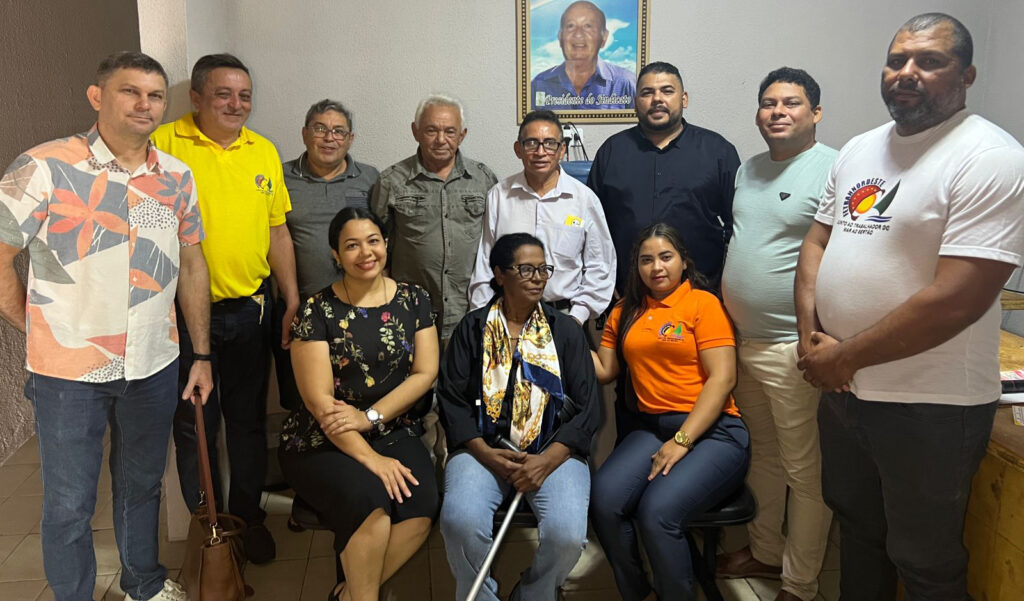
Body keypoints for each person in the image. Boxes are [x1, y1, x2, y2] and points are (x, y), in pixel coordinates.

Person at [795, 13, 1024, 600]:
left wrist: (844, 357)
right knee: (858, 531)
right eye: (897, 60)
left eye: (929, 61)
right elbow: (816, 243)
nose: (907, 72)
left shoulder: (989, 156)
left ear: (967, 75)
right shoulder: (859, 148)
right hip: (844, 392)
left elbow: (958, 299)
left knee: (924, 561)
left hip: (930, 406)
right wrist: (811, 339)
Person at [0, 51, 211, 601]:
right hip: (68, 375)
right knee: (69, 502)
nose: (145, 104)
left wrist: (202, 355)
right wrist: (36, 326)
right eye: (130, 91)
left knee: (142, 485)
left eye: (155, 95)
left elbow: (191, 264)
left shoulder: (176, 177)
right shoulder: (44, 167)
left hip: (154, 363)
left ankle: (143, 582)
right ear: (97, 97)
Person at [152, 52, 298, 564]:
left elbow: (277, 231)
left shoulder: (263, 151)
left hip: (250, 313)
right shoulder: (162, 144)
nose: (236, 104)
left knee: (248, 422)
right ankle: (210, 528)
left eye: (244, 96)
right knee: (194, 425)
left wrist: (290, 298)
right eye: (223, 94)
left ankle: (248, 517)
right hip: (182, 317)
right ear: (196, 97)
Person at [716, 68, 837, 601]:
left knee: (805, 471)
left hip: (794, 348)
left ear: (815, 112)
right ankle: (766, 552)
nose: (778, 112)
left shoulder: (834, 169)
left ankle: (800, 583)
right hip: (744, 343)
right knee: (763, 456)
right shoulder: (749, 169)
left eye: (791, 103)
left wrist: (820, 334)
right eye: (769, 103)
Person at [278, 207, 439, 601]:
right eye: (351, 245)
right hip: (321, 438)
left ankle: (348, 595)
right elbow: (320, 405)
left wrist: (370, 418)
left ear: (386, 244)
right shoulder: (316, 311)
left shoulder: (414, 299)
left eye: (373, 241)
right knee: (371, 502)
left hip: (392, 428)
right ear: (335, 254)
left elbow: (424, 373)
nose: (365, 252)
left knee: (422, 505)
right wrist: (373, 460)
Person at [590, 223, 750, 601]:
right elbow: (606, 371)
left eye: (665, 257)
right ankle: (639, 593)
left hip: (715, 433)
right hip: (652, 429)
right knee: (604, 501)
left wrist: (682, 440)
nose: (656, 267)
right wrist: (561, 335)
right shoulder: (624, 312)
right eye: (646, 260)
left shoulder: (703, 304)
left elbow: (723, 379)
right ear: (636, 267)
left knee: (657, 513)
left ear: (683, 262)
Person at [438, 233, 600, 601]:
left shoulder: (565, 331)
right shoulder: (473, 328)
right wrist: (484, 453)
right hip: (484, 447)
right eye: (526, 269)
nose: (538, 278)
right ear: (499, 274)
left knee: (567, 535)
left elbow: (588, 407)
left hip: (553, 450)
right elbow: (451, 400)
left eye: (543, 269)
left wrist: (547, 460)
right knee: (459, 521)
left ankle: (533, 594)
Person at [587, 61, 739, 291]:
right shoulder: (612, 151)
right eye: (647, 93)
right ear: (635, 102)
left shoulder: (718, 151)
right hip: (629, 294)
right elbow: (593, 227)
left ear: (684, 99)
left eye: (667, 91)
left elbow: (737, 225)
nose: (657, 99)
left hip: (700, 293)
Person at [277, 99, 379, 412]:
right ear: (305, 133)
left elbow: (382, 241)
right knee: (304, 399)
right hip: (300, 306)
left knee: (356, 393)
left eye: (339, 131)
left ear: (350, 139)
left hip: (358, 309)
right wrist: (291, 301)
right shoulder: (281, 176)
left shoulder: (370, 179)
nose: (329, 138)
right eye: (320, 129)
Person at [370, 94, 497, 343]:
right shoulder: (391, 181)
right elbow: (377, 250)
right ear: (415, 131)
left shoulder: (483, 179)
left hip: (471, 312)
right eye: (431, 130)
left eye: (450, 131)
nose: (441, 140)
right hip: (410, 314)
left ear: (462, 135)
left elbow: (495, 244)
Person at [468, 109, 615, 324]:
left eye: (549, 143)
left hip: (565, 316)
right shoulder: (499, 196)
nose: (540, 152)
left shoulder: (584, 199)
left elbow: (601, 266)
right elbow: (484, 265)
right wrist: (484, 319)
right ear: (518, 149)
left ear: (562, 150)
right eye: (531, 143)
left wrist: (577, 317)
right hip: (506, 318)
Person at [531, 1, 636, 110]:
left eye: (588, 26)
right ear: (560, 37)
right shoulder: (539, 85)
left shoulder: (626, 83)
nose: (578, 34)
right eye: (571, 26)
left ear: (604, 37)